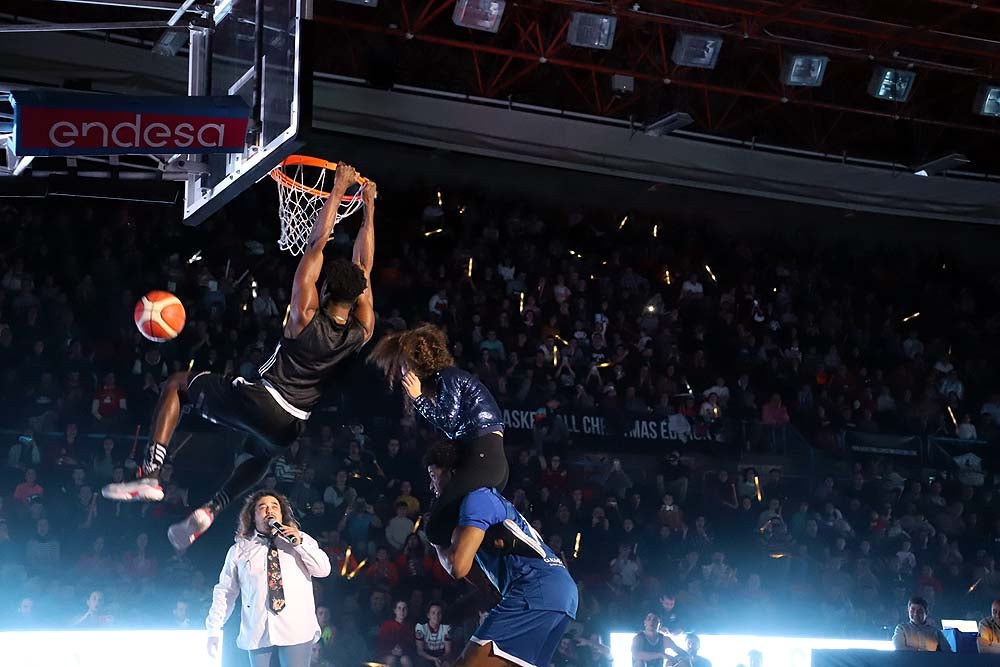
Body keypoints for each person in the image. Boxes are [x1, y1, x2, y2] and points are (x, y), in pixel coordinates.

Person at [103, 165, 377, 551]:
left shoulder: (304, 315)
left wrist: (338, 189)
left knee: (178, 384)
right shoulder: (363, 330)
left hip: (264, 398)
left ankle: (151, 473)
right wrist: (369, 209)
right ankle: (211, 510)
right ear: (359, 296)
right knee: (259, 455)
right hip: (292, 425)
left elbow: (317, 243)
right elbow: (364, 265)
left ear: (325, 288)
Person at [424, 440, 578, 667]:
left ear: (453, 472)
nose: (431, 486)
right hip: (560, 593)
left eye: (433, 475)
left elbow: (457, 567)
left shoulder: (476, 498)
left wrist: (436, 540)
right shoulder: (480, 505)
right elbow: (482, 580)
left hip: (536, 589)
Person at [369, 324, 507, 547]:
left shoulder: (448, 377)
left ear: (415, 363)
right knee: (463, 529)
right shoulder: (449, 380)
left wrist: (418, 398)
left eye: (403, 365)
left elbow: (447, 422)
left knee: (435, 527)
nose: (402, 374)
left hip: (483, 458)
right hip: (488, 460)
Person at [205, 490, 331, 667]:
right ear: (253, 516)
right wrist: (214, 628)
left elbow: (323, 570)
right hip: (258, 630)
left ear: (282, 514)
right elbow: (225, 592)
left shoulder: (301, 540)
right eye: (262, 507)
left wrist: (299, 544)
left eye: (275, 507)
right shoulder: (240, 550)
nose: (269, 510)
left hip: (296, 627)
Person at [415, 601, 453, 667]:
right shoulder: (421, 628)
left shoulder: (447, 628)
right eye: (433, 613)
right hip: (426, 656)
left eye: (439, 613)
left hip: (441, 655)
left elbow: (448, 651)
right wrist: (434, 659)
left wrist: (440, 659)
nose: (436, 616)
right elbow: (420, 651)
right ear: (428, 615)